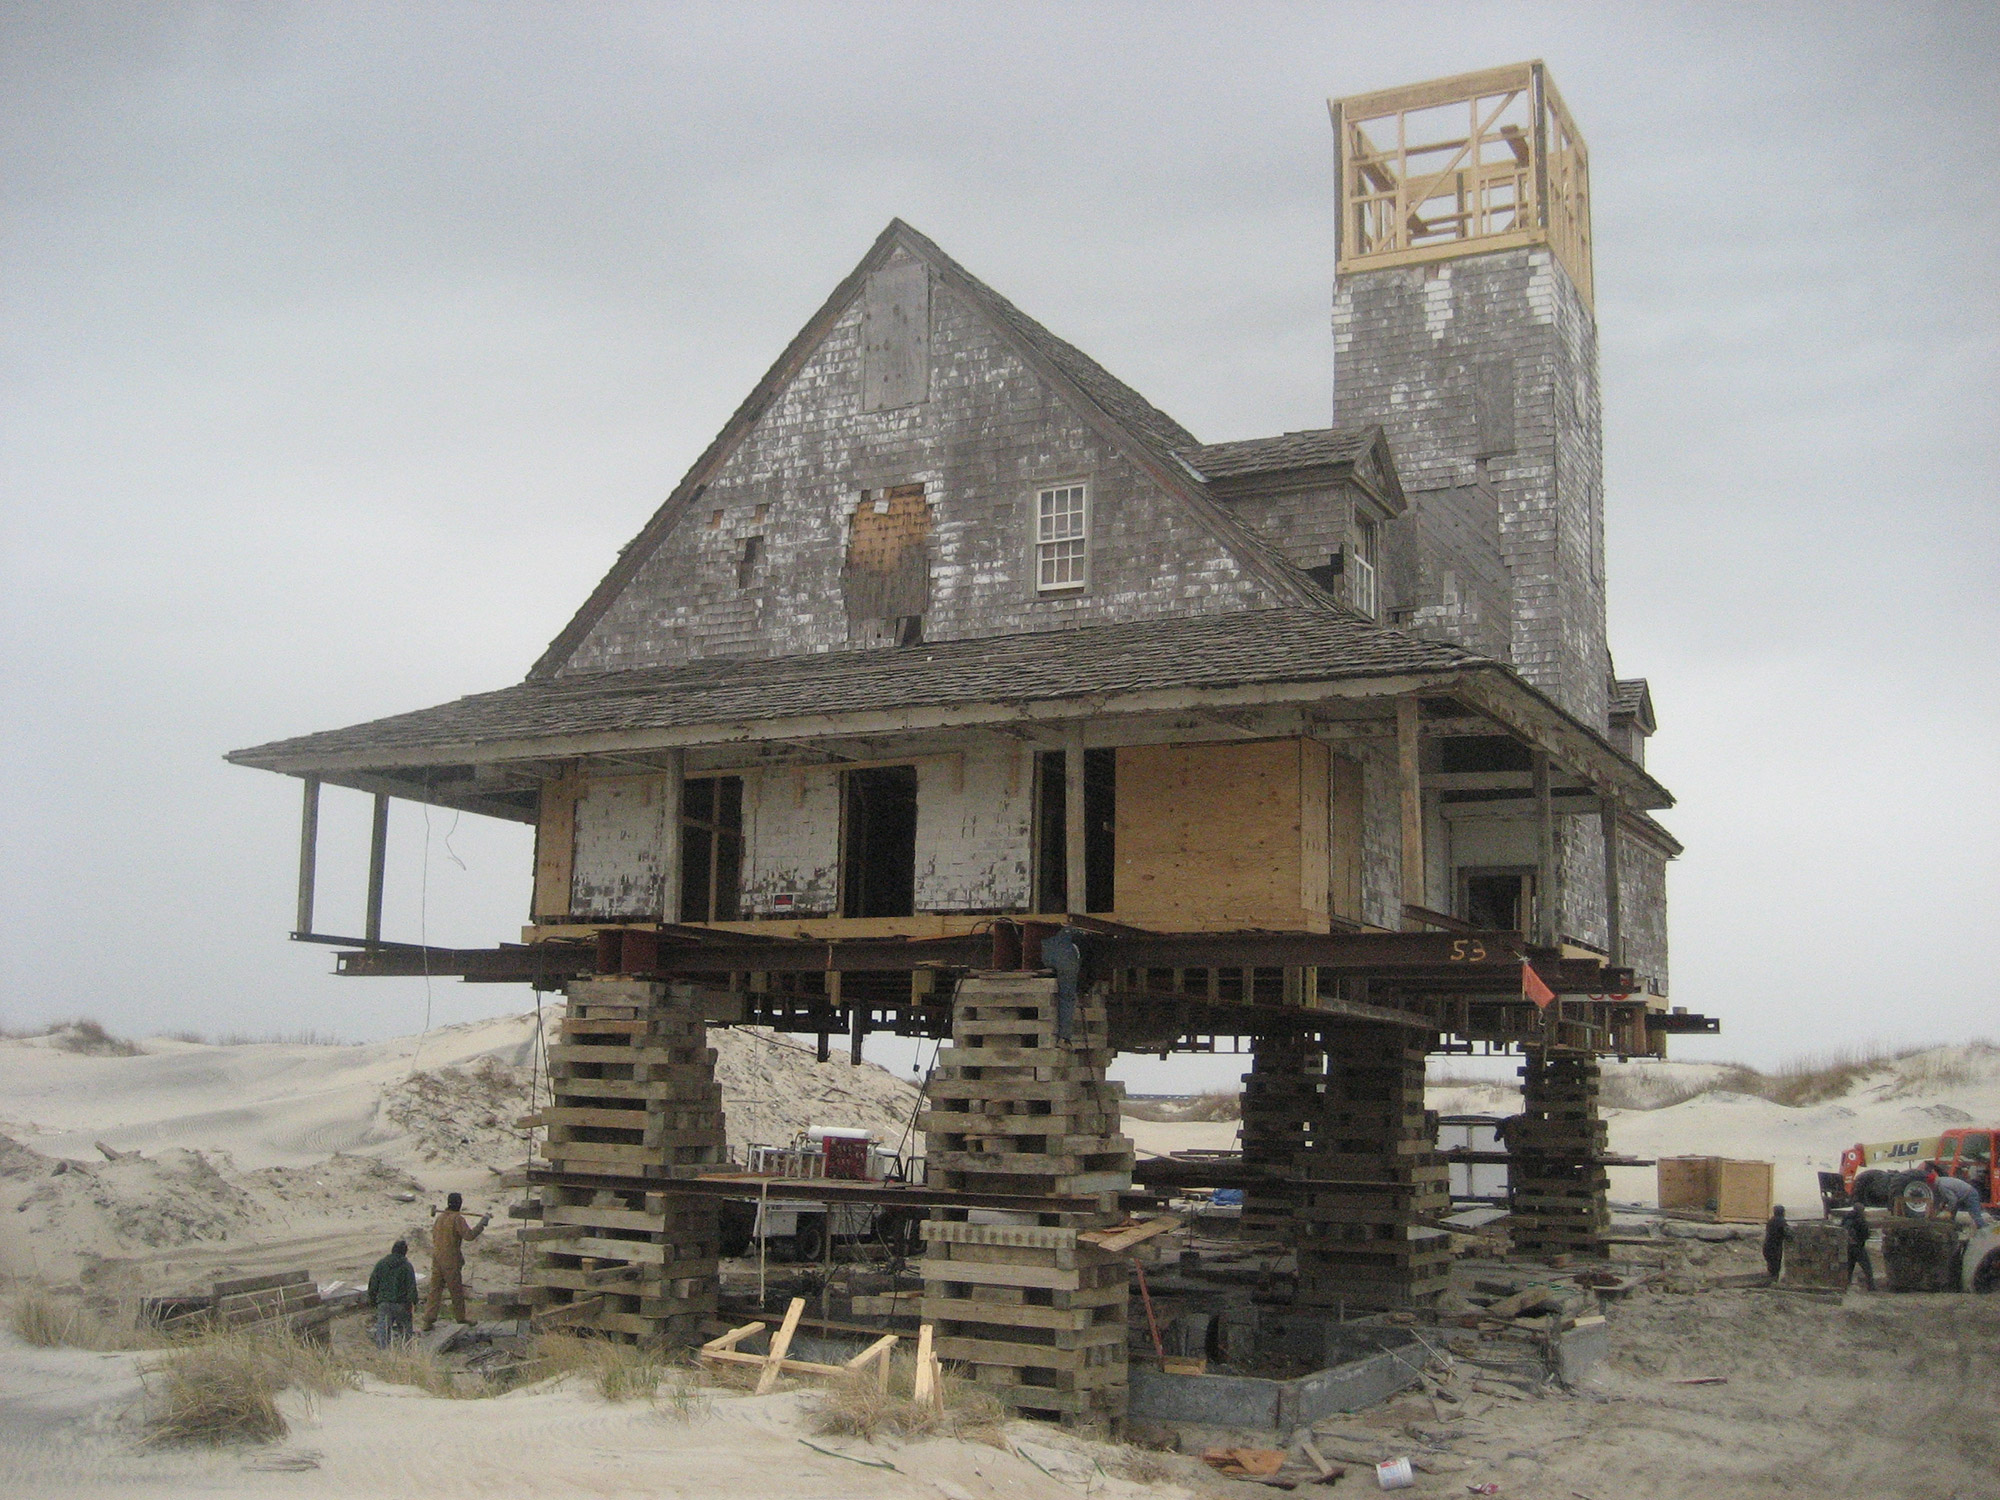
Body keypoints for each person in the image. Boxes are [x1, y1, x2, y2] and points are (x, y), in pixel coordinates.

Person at [419, 1192, 490, 1331]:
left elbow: (434, 1236)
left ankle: (428, 1320)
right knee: (456, 1290)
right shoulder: (457, 1219)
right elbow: (469, 1236)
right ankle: (461, 1317)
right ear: (459, 1204)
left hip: (437, 1258)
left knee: (435, 1291)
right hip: (451, 1260)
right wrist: (482, 1224)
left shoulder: (439, 1218)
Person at [366, 1238, 417, 1348]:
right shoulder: (407, 1266)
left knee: (383, 1333)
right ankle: (407, 1355)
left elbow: (373, 1285)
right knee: (406, 1334)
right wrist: (412, 1303)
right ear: (405, 1252)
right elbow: (411, 1287)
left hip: (384, 1303)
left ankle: (384, 1357)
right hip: (402, 1304)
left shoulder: (381, 1264)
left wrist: (373, 1301)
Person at [1845, 1200, 1875, 1292]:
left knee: (1849, 1268)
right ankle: (1871, 1288)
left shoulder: (1847, 1218)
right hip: (1858, 1247)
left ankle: (1845, 1286)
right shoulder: (1860, 1220)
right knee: (1867, 1268)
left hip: (1848, 1246)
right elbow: (1865, 1233)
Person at [1761, 1204, 1787, 1280]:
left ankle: (1770, 1279)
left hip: (1767, 1246)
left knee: (1771, 1266)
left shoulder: (1771, 1221)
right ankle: (1773, 1281)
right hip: (1775, 1248)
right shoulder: (1782, 1221)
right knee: (1776, 1267)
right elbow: (1787, 1233)